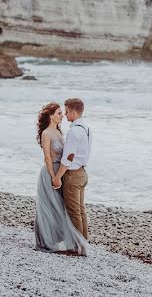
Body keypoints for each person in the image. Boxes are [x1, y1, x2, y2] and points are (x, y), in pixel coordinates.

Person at [34, 102, 88, 256]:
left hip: (62, 172)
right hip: (51, 173)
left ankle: (67, 241)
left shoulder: (59, 132)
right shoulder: (46, 133)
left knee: (60, 207)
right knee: (50, 206)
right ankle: (46, 240)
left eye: (62, 112)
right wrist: (53, 177)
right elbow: (47, 158)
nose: (62, 115)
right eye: (59, 113)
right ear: (51, 116)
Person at [52, 97, 91, 240]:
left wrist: (57, 177)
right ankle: (83, 243)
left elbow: (68, 157)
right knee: (80, 211)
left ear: (74, 113)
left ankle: (77, 246)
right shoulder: (86, 128)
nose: (65, 115)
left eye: (67, 112)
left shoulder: (74, 131)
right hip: (82, 172)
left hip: (73, 175)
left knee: (74, 212)